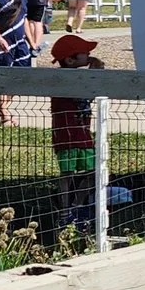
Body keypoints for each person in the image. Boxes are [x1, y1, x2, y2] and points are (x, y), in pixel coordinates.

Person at [49, 32, 102, 227]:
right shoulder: (62, 80)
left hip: (83, 133)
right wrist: (96, 74)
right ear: (70, 60)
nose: (88, 56)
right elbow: (84, 94)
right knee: (67, 174)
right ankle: (64, 211)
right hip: (67, 134)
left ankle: (76, 206)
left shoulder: (80, 77)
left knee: (92, 171)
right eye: (84, 53)